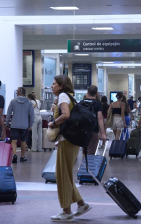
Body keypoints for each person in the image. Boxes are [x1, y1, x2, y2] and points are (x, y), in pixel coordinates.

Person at [48, 75, 91, 221]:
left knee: (62, 175)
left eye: (54, 84)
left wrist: (53, 123)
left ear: (61, 86)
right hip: (72, 140)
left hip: (67, 140)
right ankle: (81, 204)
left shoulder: (62, 96)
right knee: (65, 174)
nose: (51, 86)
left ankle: (66, 212)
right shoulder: (71, 97)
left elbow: (65, 115)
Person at [6, 87, 34, 163]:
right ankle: (22, 157)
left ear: (20, 92)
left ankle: (14, 154)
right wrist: (30, 125)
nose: (16, 93)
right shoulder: (29, 102)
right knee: (23, 141)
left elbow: (8, 113)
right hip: (24, 125)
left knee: (14, 140)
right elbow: (32, 115)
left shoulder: (13, 101)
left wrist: (7, 123)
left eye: (17, 91)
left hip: (14, 124)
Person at [81, 85, 106, 155]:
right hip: (93, 130)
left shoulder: (81, 102)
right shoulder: (98, 103)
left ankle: (84, 165)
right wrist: (103, 133)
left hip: (83, 130)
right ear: (97, 93)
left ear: (87, 92)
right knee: (91, 151)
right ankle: (88, 165)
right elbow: (99, 118)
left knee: (84, 151)